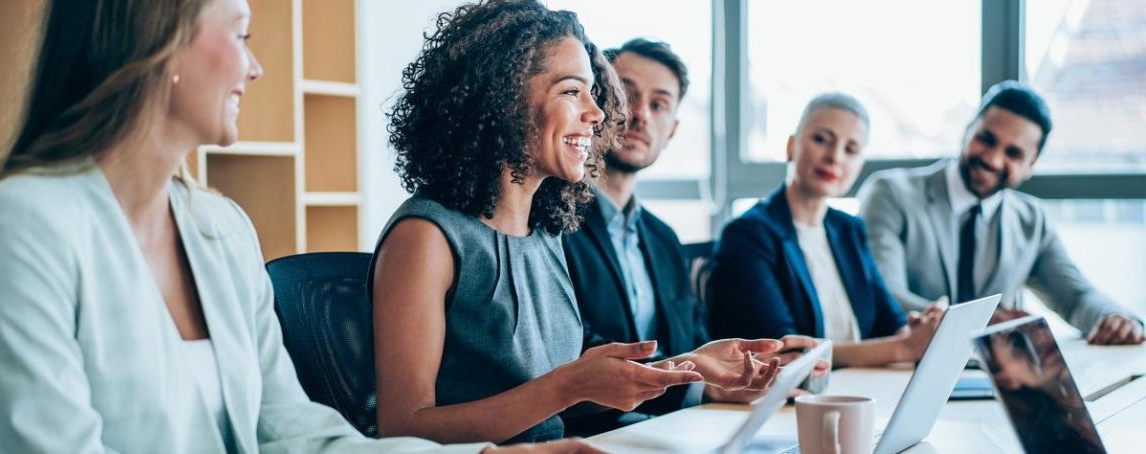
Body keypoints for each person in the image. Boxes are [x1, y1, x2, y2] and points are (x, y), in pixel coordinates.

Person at [0, 0, 593, 452]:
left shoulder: (219, 229)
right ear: (156, 41)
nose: (254, 68)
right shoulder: (21, 227)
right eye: (241, 34)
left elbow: (294, 434)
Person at [371, 0, 782, 445]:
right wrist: (568, 385)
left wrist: (688, 366)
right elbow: (403, 430)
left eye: (592, 91)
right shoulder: (426, 237)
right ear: (503, 97)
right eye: (571, 91)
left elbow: (561, 398)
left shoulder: (545, 233)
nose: (598, 113)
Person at [560, 38, 821, 435]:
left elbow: (693, 342)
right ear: (597, 103)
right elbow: (572, 349)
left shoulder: (662, 238)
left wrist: (743, 371)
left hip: (675, 426)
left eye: (659, 104)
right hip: (596, 432)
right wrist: (699, 384)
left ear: (673, 130)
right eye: (626, 95)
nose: (640, 115)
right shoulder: (553, 222)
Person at [857, 80, 1144, 345]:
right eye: (987, 139)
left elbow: (1076, 297)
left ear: (1032, 164)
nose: (993, 159)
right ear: (968, 130)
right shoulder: (890, 194)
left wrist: (1114, 319)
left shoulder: (1031, 220)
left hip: (998, 381)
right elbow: (884, 296)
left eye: (1013, 153)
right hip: (900, 371)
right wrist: (982, 322)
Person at [706, 93, 945, 367]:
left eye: (851, 149)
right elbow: (785, 351)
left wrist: (921, 332)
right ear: (791, 147)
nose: (834, 157)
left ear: (859, 166)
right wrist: (904, 348)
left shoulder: (849, 229)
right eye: (821, 140)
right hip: (787, 397)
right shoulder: (747, 234)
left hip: (858, 387)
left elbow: (890, 322)